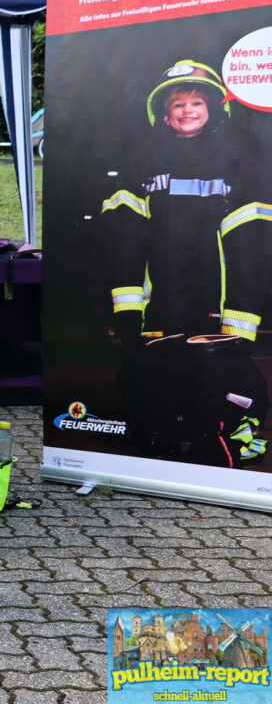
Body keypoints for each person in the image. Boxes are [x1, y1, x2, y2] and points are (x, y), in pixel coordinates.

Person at [101, 59, 272, 466]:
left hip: (217, 297)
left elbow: (251, 247)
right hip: (161, 299)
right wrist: (128, 312)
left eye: (197, 102)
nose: (188, 110)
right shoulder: (142, 163)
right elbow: (124, 241)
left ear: (215, 109)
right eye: (178, 104)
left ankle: (241, 429)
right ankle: (163, 428)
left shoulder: (238, 164)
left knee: (225, 372)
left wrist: (241, 318)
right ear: (163, 113)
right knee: (150, 370)